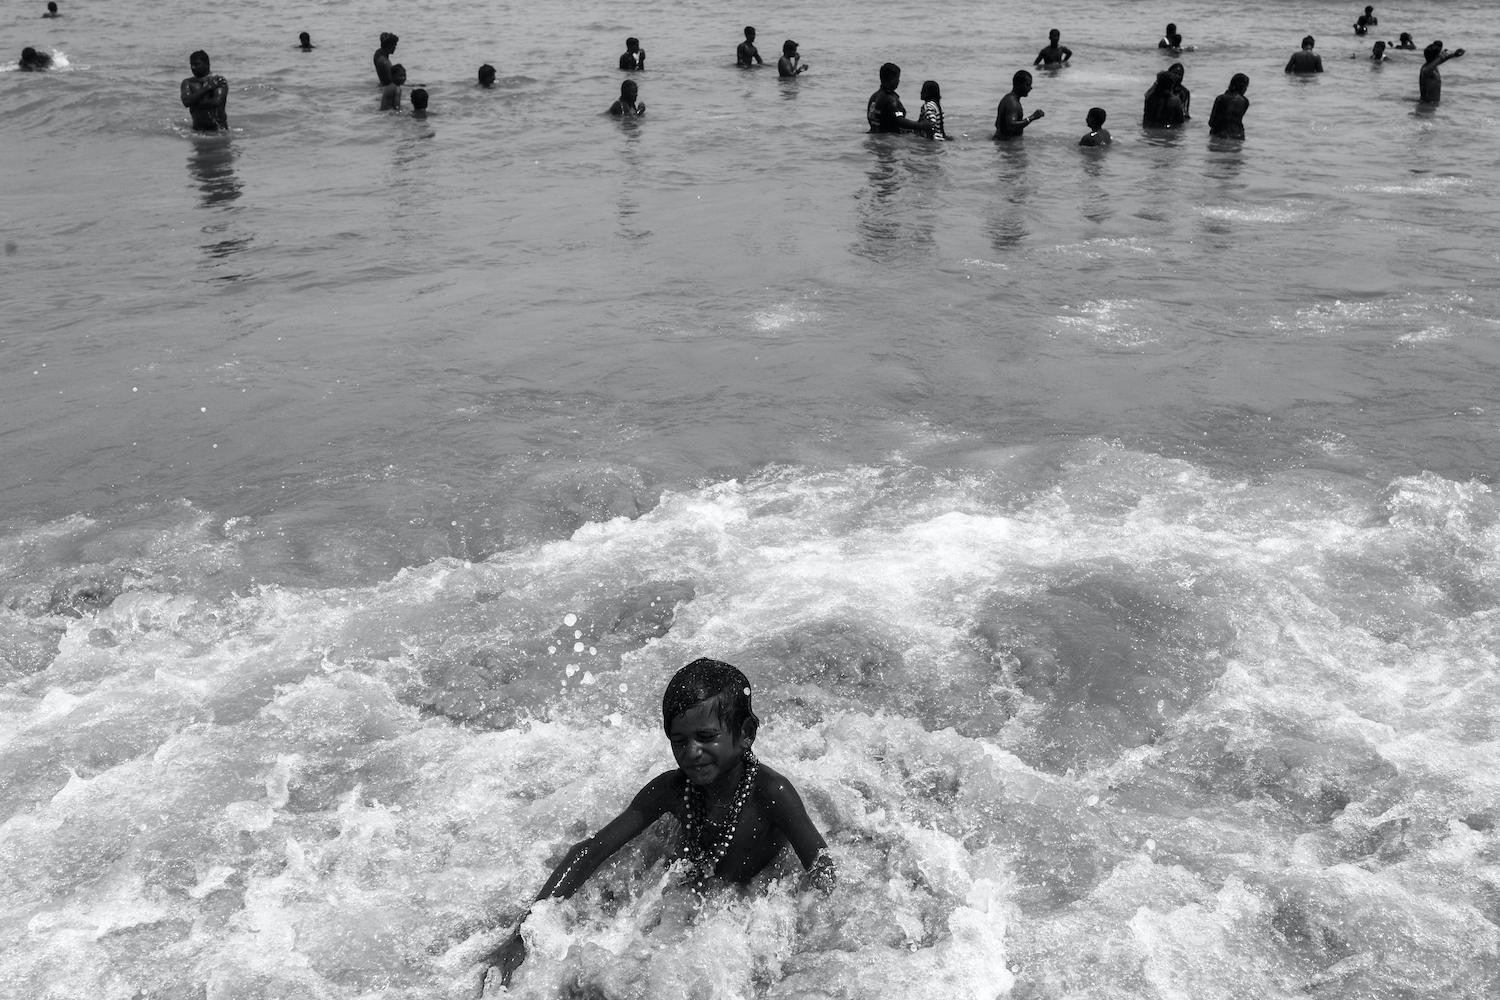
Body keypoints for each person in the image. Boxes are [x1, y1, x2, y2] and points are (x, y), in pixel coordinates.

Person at [475, 659, 836, 993]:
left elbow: (821, 865)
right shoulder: (673, 790)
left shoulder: (772, 793)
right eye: (679, 742)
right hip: (693, 896)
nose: (691, 752)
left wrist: (800, 928)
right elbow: (592, 850)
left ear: (746, 734)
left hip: (750, 902)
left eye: (706, 738)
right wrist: (523, 934)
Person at [866, 62, 931, 136]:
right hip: (889, 138)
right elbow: (900, 120)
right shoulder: (890, 99)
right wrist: (922, 125)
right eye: (897, 78)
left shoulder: (873, 97)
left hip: (875, 135)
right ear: (891, 79)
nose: (899, 81)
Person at [180, 50, 228, 130]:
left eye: (197, 64)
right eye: (191, 64)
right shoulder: (188, 83)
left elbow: (217, 102)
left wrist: (194, 103)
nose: (193, 67)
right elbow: (186, 102)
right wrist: (207, 88)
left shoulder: (218, 80)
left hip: (219, 131)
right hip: (197, 131)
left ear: (207, 64)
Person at [995, 69, 1044, 139]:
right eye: (1027, 85)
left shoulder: (1008, 98)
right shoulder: (1012, 103)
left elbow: (997, 124)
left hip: (1004, 144)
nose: (1030, 88)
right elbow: (1011, 125)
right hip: (1007, 146)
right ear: (1018, 85)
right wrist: (1032, 117)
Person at [1208, 72, 1249, 139]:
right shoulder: (1245, 101)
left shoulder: (1220, 98)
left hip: (1220, 136)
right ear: (1243, 88)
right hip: (1238, 136)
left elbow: (1211, 123)